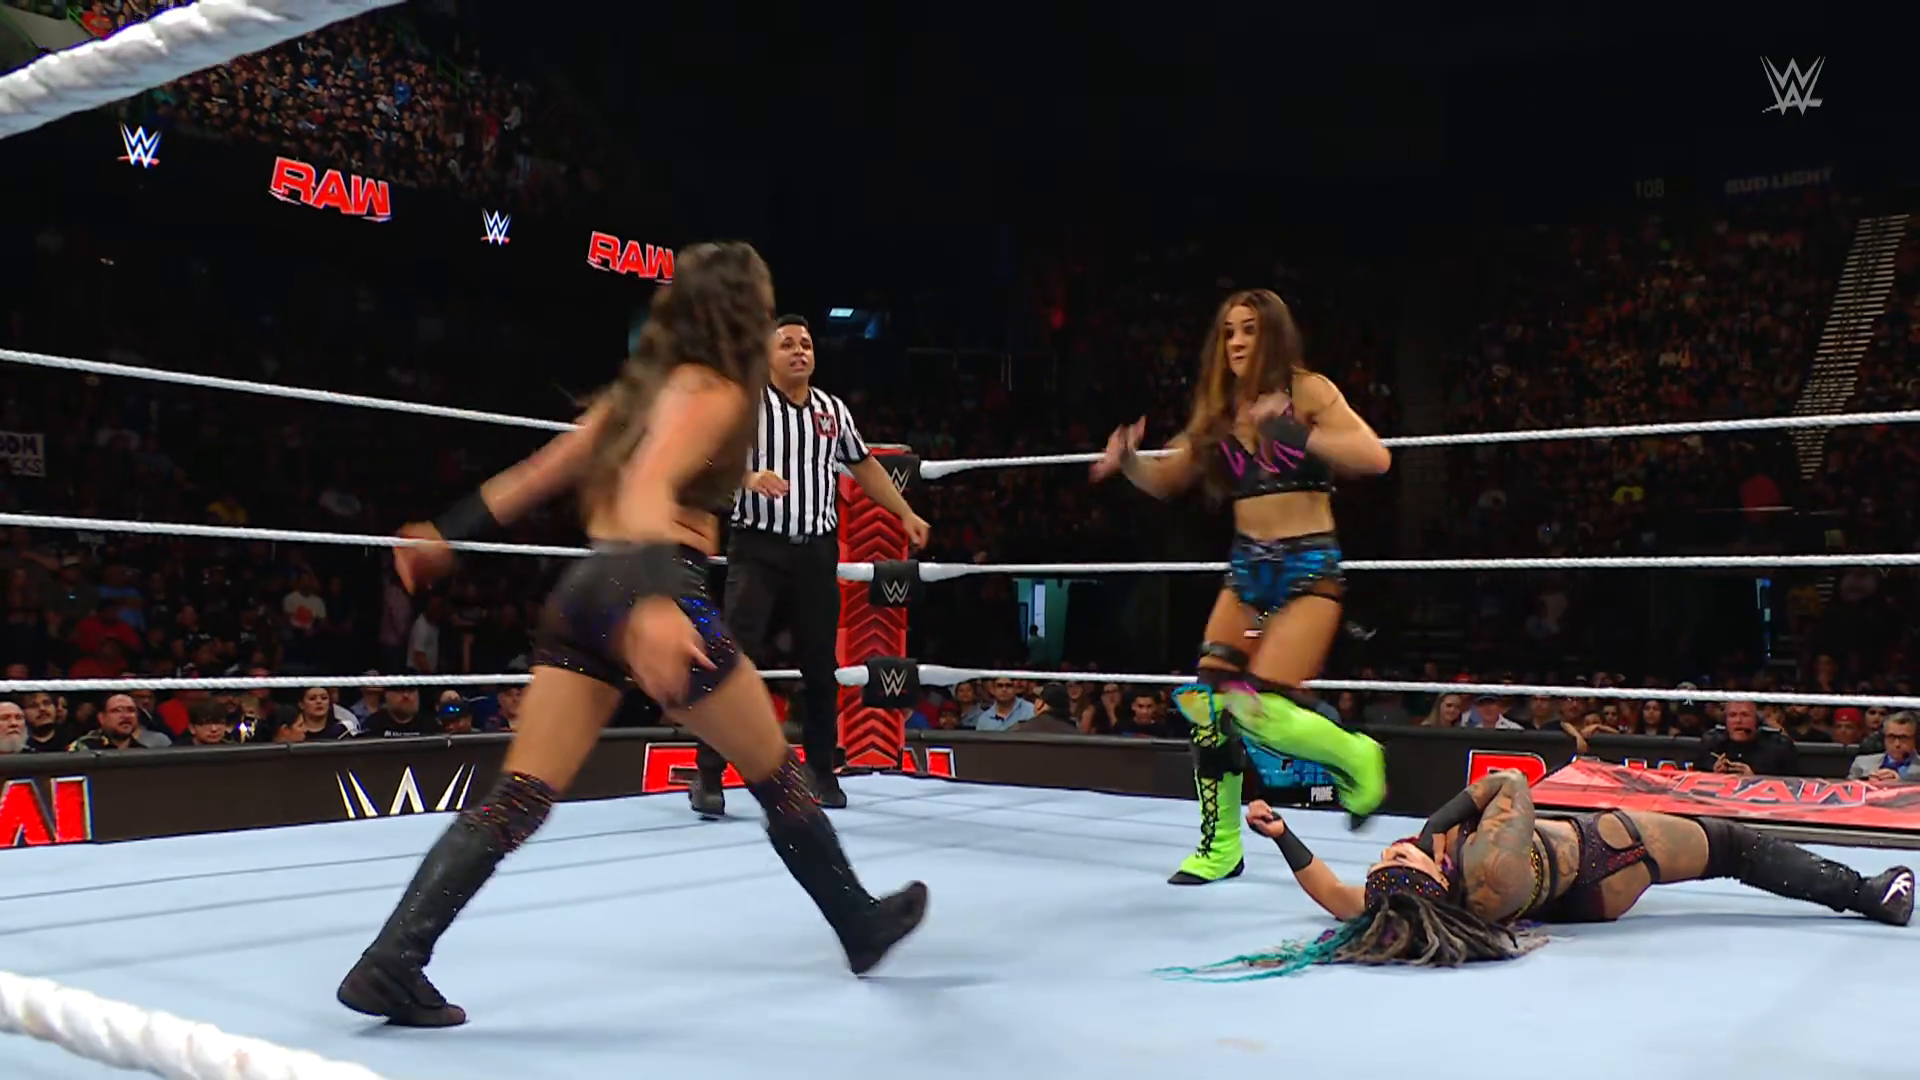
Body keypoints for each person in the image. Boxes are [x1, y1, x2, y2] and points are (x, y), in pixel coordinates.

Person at [334, 243, 928, 1028]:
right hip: (654, 582)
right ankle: (857, 923)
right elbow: (649, 486)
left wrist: (450, 531)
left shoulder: (644, 390)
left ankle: (392, 960)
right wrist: (653, 605)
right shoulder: (715, 390)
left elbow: (546, 468)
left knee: (522, 795)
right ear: (742, 311)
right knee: (775, 771)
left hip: (586, 592)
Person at [1090, 288, 1393, 885]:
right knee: (1208, 705)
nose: (1236, 342)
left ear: (1273, 335)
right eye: (1229, 331)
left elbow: (1374, 456)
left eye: (1249, 330)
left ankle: (1358, 755)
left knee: (1262, 710)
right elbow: (1167, 478)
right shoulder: (1219, 410)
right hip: (1247, 568)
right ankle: (1221, 847)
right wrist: (1128, 462)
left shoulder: (1309, 391)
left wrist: (1292, 431)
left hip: (1308, 564)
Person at [1166, 770, 1915, 979]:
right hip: (1604, 852)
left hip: (1573, 901)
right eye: (1401, 855)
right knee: (1733, 845)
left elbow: (1335, 895)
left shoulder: (1405, 903)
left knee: (1728, 850)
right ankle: (1870, 894)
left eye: (1388, 856)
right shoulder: (1484, 865)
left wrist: (1284, 835)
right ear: (1432, 876)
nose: (1392, 850)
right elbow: (1511, 786)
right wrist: (1433, 826)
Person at [688, 314, 932, 816]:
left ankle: (821, 771)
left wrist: (904, 512)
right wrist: (748, 479)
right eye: (787, 344)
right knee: (732, 659)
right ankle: (707, 773)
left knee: (821, 667)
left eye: (806, 344)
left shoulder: (832, 411)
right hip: (757, 547)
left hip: (816, 551)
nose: (799, 351)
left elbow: (864, 466)